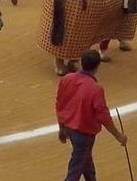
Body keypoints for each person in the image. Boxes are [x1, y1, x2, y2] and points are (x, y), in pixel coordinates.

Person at [55, 50, 129, 181]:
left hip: (69, 129)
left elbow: (60, 104)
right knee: (75, 170)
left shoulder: (67, 79)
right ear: (97, 67)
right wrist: (118, 136)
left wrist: (61, 128)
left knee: (85, 161)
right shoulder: (96, 89)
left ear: (81, 63)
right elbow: (103, 116)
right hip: (84, 134)